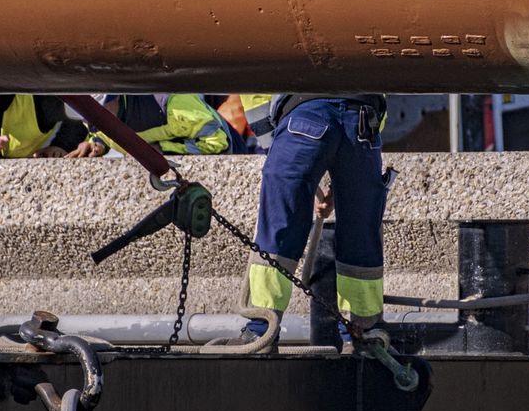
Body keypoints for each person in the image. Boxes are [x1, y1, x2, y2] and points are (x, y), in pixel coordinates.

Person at [234, 94, 390, 351]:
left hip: (303, 115)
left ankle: (261, 330)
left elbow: (255, 90)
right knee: (360, 234)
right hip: (363, 123)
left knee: (280, 228)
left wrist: (275, 145)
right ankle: (363, 334)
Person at [66, 93, 235, 157]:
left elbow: (219, 144)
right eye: (84, 116)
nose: (91, 122)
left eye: (94, 113)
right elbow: (99, 132)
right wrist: (97, 143)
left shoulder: (173, 105)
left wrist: (162, 149)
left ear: (115, 97)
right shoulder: (96, 121)